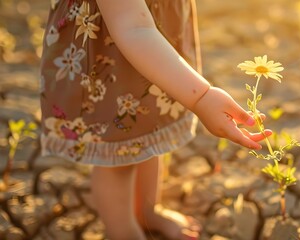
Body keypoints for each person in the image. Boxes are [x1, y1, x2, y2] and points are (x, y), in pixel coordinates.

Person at [39, 0, 271, 239]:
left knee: (149, 130)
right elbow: (132, 26)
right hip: (111, 57)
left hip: (157, 45)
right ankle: (123, 232)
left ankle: (147, 211)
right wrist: (201, 97)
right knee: (119, 154)